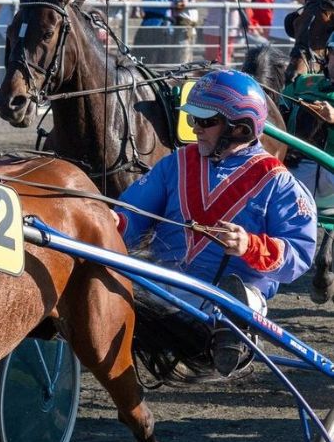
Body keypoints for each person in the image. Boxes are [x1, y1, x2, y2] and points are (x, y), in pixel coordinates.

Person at [113, 70, 316, 376]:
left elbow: (299, 254)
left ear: (240, 127)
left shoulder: (278, 182)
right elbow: (132, 215)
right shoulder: (175, 164)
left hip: (232, 299)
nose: (195, 129)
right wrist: (108, 221)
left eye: (205, 121)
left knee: (239, 298)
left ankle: (226, 341)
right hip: (164, 289)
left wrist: (250, 245)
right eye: (192, 119)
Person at [281, 31, 334, 214]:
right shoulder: (303, 83)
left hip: (328, 173)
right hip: (293, 165)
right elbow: (275, 107)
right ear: (328, 54)